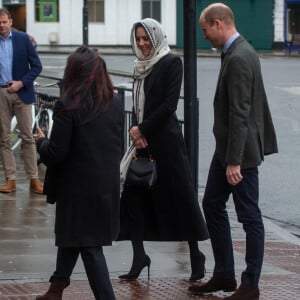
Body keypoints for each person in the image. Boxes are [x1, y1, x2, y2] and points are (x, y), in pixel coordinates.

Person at [188, 3, 278, 300]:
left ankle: (249, 284)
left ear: (217, 23)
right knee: (212, 204)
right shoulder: (238, 50)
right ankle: (224, 275)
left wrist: (235, 161)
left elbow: (241, 113)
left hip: (240, 154)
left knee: (249, 216)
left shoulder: (239, 56)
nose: (204, 36)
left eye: (205, 29)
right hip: (227, 149)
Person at [118, 18, 209, 281]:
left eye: (146, 38)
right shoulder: (140, 66)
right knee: (134, 200)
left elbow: (169, 105)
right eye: (138, 39)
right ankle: (139, 257)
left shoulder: (171, 62)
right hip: (143, 144)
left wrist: (141, 129)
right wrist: (136, 130)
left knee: (182, 199)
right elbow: (137, 104)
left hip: (167, 143)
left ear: (156, 37)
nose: (142, 43)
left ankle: (196, 255)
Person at [34, 46, 123, 300]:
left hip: (77, 188)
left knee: (89, 246)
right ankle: (56, 288)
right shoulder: (115, 103)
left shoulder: (67, 106)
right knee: (72, 236)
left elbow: (56, 153)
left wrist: (41, 142)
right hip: (105, 185)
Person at [0, 8, 43, 194]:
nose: (1, 26)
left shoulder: (23, 39)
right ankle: (11, 179)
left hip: (22, 93)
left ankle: (34, 179)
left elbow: (37, 66)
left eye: (4, 22)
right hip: (1, 94)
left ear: (10, 22)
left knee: (27, 137)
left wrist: (21, 83)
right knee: (3, 139)